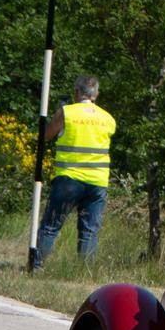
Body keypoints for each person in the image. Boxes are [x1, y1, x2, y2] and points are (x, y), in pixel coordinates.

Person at [34, 74, 115, 267]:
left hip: (69, 178)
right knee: (89, 231)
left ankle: (36, 267)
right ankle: (83, 272)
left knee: (51, 226)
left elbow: (45, 136)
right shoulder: (108, 118)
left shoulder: (67, 112)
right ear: (96, 94)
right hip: (97, 181)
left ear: (76, 92)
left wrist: (54, 114)